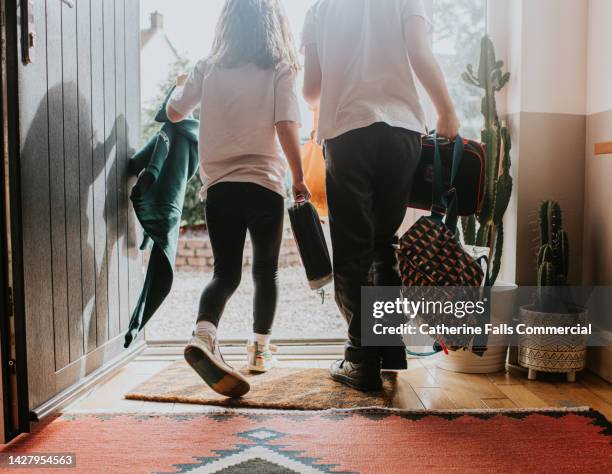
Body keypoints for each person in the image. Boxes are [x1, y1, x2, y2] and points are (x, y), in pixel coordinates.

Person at [302, 0, 460, 391]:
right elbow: (419, 52)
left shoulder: (320, 10)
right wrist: (446, 111)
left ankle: (360, 358)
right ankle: (389, 345)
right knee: (383, 244)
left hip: (347, 131)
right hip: (402, 131)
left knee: (353, 249)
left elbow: (311, 91)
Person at [166, 0, 310, 398]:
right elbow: (285, 126)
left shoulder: (207, 68)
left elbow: (174, 112)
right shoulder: (280, 68)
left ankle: (202, 336)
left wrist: (181, 84)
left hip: (220, 189)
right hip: (264, 187)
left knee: (224, 273)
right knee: (267, 272)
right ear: (272, 25)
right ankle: (260, 351)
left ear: (227, 23)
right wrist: (298, 178)